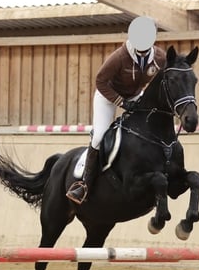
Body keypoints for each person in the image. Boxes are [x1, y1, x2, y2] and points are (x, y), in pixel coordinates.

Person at [66, 16, 167, 204]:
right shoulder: (120, 57)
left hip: (135, 96)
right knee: (99, 137)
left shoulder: (160, 58)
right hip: (108, 97)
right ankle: (84, 185)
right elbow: (100, 81)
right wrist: (121, 101)